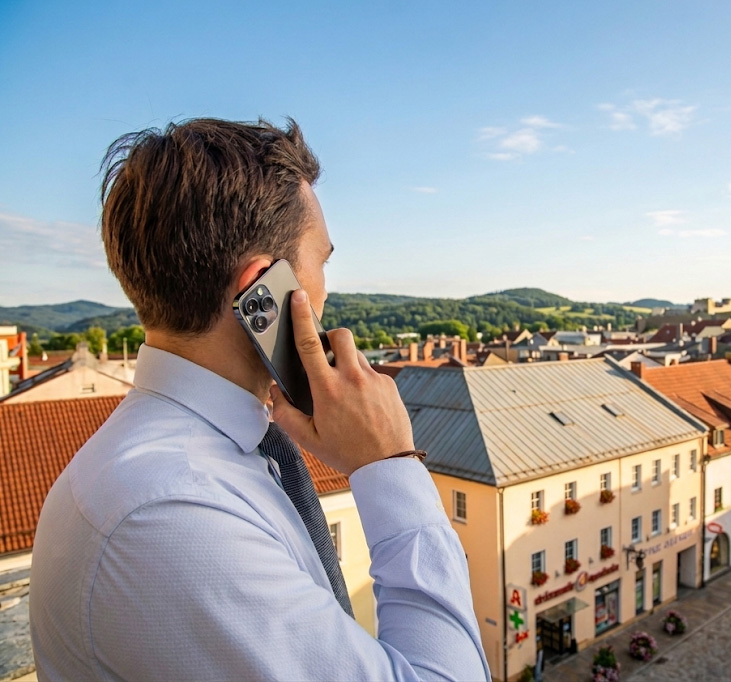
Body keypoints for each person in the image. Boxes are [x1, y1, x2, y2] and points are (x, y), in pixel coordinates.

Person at [29, 118, 490, 681]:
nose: (325, 290)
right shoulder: (175, 513)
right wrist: (389, 467)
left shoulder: (173, 467)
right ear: (263, 292)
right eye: (322, 262)